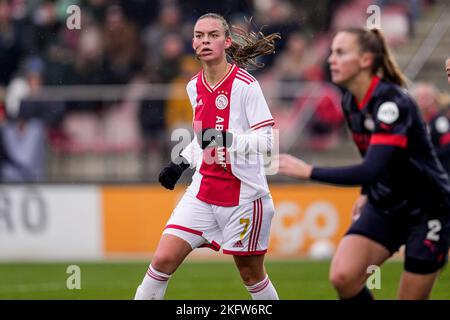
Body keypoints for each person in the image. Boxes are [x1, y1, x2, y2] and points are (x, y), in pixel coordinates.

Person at [278, 27, 450, 300]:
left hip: (427, 209)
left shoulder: (392, 103)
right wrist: (367, 192)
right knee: (344, 277)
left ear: (366, 60)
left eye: (341, 52)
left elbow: (371, 169)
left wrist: (309, 171)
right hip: (386, 204)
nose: (331, 59)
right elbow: (372, 158)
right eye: (332, 52)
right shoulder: (350, 101)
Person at [134, 13, 280, 300]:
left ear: (227, 42)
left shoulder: (246, 85)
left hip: (244, 197)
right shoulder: (193, 87)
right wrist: (180, 164)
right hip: (202, 192)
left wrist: (227, 139)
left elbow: (267, 142)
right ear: (193, 43)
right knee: (162, 261)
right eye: (200, 36)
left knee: (251, 275)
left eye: (213, 35)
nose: (205, 40)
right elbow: (203, 138)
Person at [412, 83, 450, 176]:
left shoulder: (440, 121)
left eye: (426, 97)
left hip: (442, 172)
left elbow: (447, 148)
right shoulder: (416, 120)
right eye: (420, 97)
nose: (422, 101)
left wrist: (425, 153)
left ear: (434, 99)